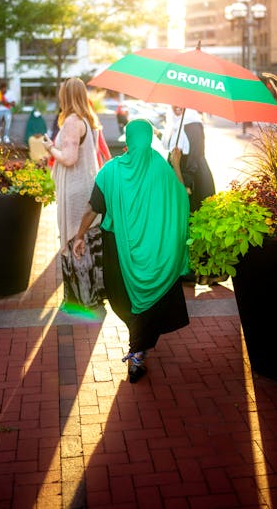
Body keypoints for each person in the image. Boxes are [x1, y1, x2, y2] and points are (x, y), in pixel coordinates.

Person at [72, 119, 190, 383]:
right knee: (150, 300)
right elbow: (182, 198)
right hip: (157, 253)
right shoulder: (161, 167)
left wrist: (79, 236)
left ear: (127, 139)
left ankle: (136, 352)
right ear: (148, 139)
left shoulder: (110, 170)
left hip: (119, 252)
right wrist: (177, 165)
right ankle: (138, 351)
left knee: (126, 299)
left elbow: (92, 208)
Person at [42, 78, 104, 306]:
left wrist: (50, 147)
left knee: (76, 240)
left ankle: (80, 299)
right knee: (88, 239)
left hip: (74, 190)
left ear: (65, 96)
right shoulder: (88, 120)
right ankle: (94, 295)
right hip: (87, 186)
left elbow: (68, 158)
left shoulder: (71, 121)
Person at [162, 106, 217, 285]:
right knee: (183, 222)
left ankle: (199, 271)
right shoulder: (175, 122)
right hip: (180, 173)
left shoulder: (193, 122)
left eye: (180, 103)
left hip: (194, 179)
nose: (177, 106)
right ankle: (187, 266)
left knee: (194, 222)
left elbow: (195, 155)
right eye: (173, 103)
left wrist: (186, 182)